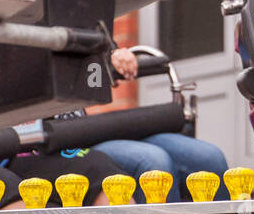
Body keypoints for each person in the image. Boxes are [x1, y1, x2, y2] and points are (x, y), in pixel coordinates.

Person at [91, 47, 231, 201]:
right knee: (154, 162)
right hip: (73, 140)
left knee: (209, 158)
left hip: (110, 128)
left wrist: (112, 55)